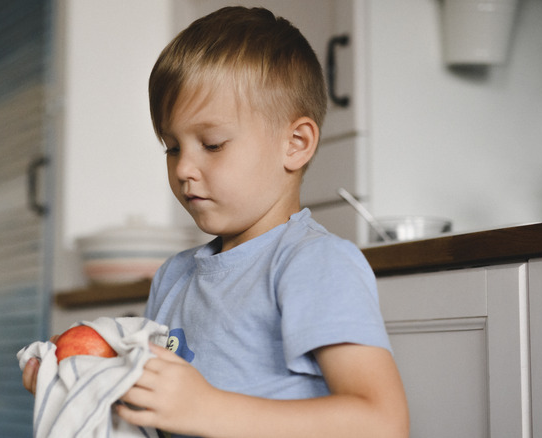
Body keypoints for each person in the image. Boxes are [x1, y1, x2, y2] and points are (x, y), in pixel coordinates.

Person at [23, 6, 409, 437]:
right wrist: (79, 381)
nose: (184, 167)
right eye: (172, 147)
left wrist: (209, 409)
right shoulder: (173, 277)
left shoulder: (315, 263)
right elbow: (157, 410)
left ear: (295, 144)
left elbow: (382, 423)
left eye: (212, 144)